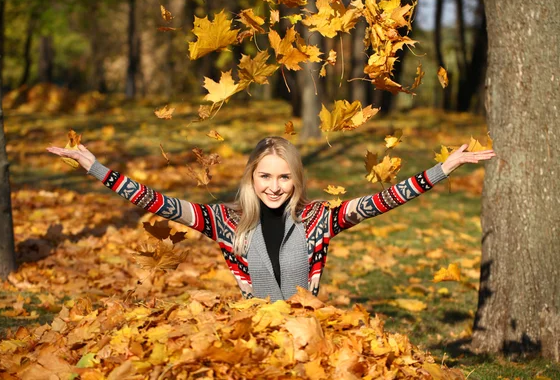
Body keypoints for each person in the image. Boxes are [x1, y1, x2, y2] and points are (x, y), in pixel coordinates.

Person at [47, 137, 495, 301]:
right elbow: (159, 203)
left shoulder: (322, 219)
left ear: (296, 179)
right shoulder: (225, 220)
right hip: (252, 332)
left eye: (283, 176)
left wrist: (444, 168)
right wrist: (94, 167)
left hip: (308, 331)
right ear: (252, 177)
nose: (274, 186)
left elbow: (386, 199)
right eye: (265, 176)